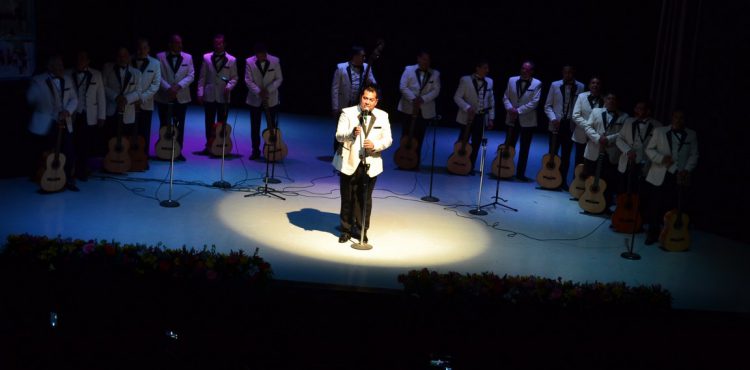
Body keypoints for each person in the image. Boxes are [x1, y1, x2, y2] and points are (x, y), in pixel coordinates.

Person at [333, 86, 392, 243]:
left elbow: (388, 140)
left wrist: (375, 145)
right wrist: (351, 134)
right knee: (347, 197)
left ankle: (361, 229)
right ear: (361, 98)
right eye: (365, 98)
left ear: (376, 101)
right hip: (349, 160)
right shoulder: (348, 113)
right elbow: (339, 135)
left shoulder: (383, 116)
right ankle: (345, 229)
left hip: (370, 163)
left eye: (371, 99)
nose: (367, 102)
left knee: (364, 198)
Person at [643, 110, 698, 245]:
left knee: (675, 205)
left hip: (680, 175)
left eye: (681, 118)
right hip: (660, 173)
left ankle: (670, 233)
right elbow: (649, 149)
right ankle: (653, 233)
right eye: (676, 117)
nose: (678, 120)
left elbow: (694, 154)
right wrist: (661, 158)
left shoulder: (691, 134)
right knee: (655, 205)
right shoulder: (660, 131)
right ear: (672, 118)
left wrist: (686, 169)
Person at [27, 55, 79, 191]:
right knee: (46, 153)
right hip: (47, 122)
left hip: (63, 121)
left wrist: (67, 111)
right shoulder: (38, 81)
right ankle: (44, 179)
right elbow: (30, 99)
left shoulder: (67, 79)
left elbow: (74, 99)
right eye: (57, 66)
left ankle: (68, 179)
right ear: (50, 67)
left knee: (68, 151)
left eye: (61, 65)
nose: (61, 68)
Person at [581, 92, 629, 213]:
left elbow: (623, 133)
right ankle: (587, 202)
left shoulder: (625, 117)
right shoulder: (596, 111)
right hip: (594, 150)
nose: (611, 101)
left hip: (611, 152)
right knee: (590, 177)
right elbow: (588, 127)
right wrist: (598, 138)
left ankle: (604, 205)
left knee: (609, 181)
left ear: (617, 102)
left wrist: (607, 139)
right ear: (605, 100)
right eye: (609, 98)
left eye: (614, 99)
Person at [396, 50, 440, 169]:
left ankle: (414, 162)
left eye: (428, 60)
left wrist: (423, 99)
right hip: (408, 107)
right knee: (405, 134)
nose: (426, 62)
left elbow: (436, 90)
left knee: (419, 136)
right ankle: (402, 160)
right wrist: (413, 99)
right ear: (419, 59)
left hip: (424, 109)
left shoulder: (435, 74)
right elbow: (402, 86)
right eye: (424, 59)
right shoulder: (409, 69)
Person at [543, 65, 584, 190]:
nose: (568, 75)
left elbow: (580, 107)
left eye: (570, 72)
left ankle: (562, 181)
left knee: (566, 155)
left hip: (570, 125)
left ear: (574, 73)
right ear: (562, 73)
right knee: (553, 153)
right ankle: (549, 178)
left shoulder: (580, 87)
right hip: (556, 123)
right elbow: (547, 105)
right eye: (566, 72)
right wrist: (553, 118)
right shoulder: (555, 85)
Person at [197, 34, 238, 155]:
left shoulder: (232, 59)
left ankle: (221, 145)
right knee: (209, 122)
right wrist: (200, 92)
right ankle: (209, 145)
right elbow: (202, 77)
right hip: (209, 94)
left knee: (222, 123)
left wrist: (229, 86)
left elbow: (235, 77)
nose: (218, 45)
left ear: (224, 44)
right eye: (216, 43)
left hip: (223, 95)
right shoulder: (206, 57)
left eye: (220, 43)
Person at [155, 34, 194, 161]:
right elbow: (157, 75)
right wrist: (168, 88)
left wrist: (177, 87)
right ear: (170, 44)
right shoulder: (160, 57)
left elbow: (191, 75)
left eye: (180, 43)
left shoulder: (188, 57)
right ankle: (163, 149)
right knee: (164, 124)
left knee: (179, 125)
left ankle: (178, 150)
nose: (180, 45)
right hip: (164, 96)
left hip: (181, 96)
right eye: (177, 43)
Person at [68, 50, 105, 181]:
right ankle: (70, 171)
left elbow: (101, 96)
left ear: (88, 61)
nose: (80, 61)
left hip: (89, 114)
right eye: (78, 58)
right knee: (72, 143)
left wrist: (102, 116)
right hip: (72, 114)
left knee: (85, 144)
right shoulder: (67, 74)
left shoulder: (96, 74)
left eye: (83, 58)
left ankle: (82, 170)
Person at [452, 59, 495, 174]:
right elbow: (457, 97)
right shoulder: (465, 80)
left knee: (476, 143)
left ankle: (469, 166)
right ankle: (456, 163)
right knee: (462, 141)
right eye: (485, 68)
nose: (487, 70)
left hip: (481, 117)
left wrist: (491, 118)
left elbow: (491, 101)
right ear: (478, 68)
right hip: (467, 116)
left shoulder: (490, 81)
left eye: (487, 68)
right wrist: (467, 107)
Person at [331, 46, 376, 154]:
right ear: (355, 56)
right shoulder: (341, 67)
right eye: (362, 56)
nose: (364, 58)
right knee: (341, 129)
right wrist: (335, 107)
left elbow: (372, 81)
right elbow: (335, 88)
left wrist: (371, 82)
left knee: (356, 129)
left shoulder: (366, 67)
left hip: (358, 105)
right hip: (344, 104)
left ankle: (352, 153)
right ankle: (338, 152)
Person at [502, 61, 542, 182]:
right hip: (511, 117)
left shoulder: (537, 83)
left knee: (524, 148)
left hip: (527, 120)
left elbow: (534, 102)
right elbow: (505, 97)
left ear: (532, 71)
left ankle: (520, 173)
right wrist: (510, 108)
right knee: (509, 145)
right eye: (523, 68)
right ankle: (505, 169)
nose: (524, 71)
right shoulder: (511, 80)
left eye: (527, 69)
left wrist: (517, 111)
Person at [615, 100, 662, 197]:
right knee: (623, 190)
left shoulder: (657, 125)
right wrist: (627, 150)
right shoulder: (628, 121)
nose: (637, 111)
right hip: (627, 162)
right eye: (636, 108)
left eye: (640, 109)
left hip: (644, 165)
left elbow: (659, 147)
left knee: (640, 193)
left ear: (648, 111)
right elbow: (619, 139)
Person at [245, 43, 282, 160]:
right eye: (259, 55)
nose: (262, 57)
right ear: (256, 55)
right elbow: (248, 80)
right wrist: (259, 91)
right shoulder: (249, 62)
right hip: (255, 99)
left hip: (271, 98)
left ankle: (270, 149)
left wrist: (268, 90)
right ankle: (255, 150)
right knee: (255, 126)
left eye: (264, 55)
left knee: (271, 127)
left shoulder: (275, 61)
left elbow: (279, 78)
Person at [103, 47, 142, 155]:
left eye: (124, 56)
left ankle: (123, 161)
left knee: (125, 138)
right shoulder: (107, 68)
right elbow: (103, 86)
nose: (122, 58)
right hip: (111, 109)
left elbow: (139, 92)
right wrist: (116, 97)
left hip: (127, 110)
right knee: (109, 137)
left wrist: (126, 99)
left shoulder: (136, 73)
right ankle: (109, 162)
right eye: (119, 56)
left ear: (129, 57)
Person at [132, 38, 161, 162]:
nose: (141, 51)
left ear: (148, 49)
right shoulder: (129, 61)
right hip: (130, 104)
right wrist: (132, 99)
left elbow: (155, 84)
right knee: (131, 132)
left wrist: (142, 98)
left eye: (144, 48)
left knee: (144, 132)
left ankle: (143, 158)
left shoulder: (155, 63)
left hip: (146, 103)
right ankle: (129, 157)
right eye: (139, 48)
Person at [571, 77, 604, 166]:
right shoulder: (581, 96)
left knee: (591, 163)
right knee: (578, 161)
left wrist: (593, 132)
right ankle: (576, 180)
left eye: (598, 83)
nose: (595, 85)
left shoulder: (604, 99)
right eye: (593, 83)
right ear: (589, 85)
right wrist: (589, 128)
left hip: (595, 137)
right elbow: (575, 115)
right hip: (581, 134)